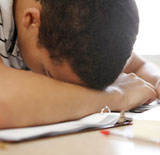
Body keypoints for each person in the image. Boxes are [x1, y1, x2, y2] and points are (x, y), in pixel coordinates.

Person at [0, 0, 159, 129]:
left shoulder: (83, 35)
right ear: (32, 20)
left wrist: (157, 80)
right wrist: (116, 97)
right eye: (48, 74)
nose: (69, 92)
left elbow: (138, 67)